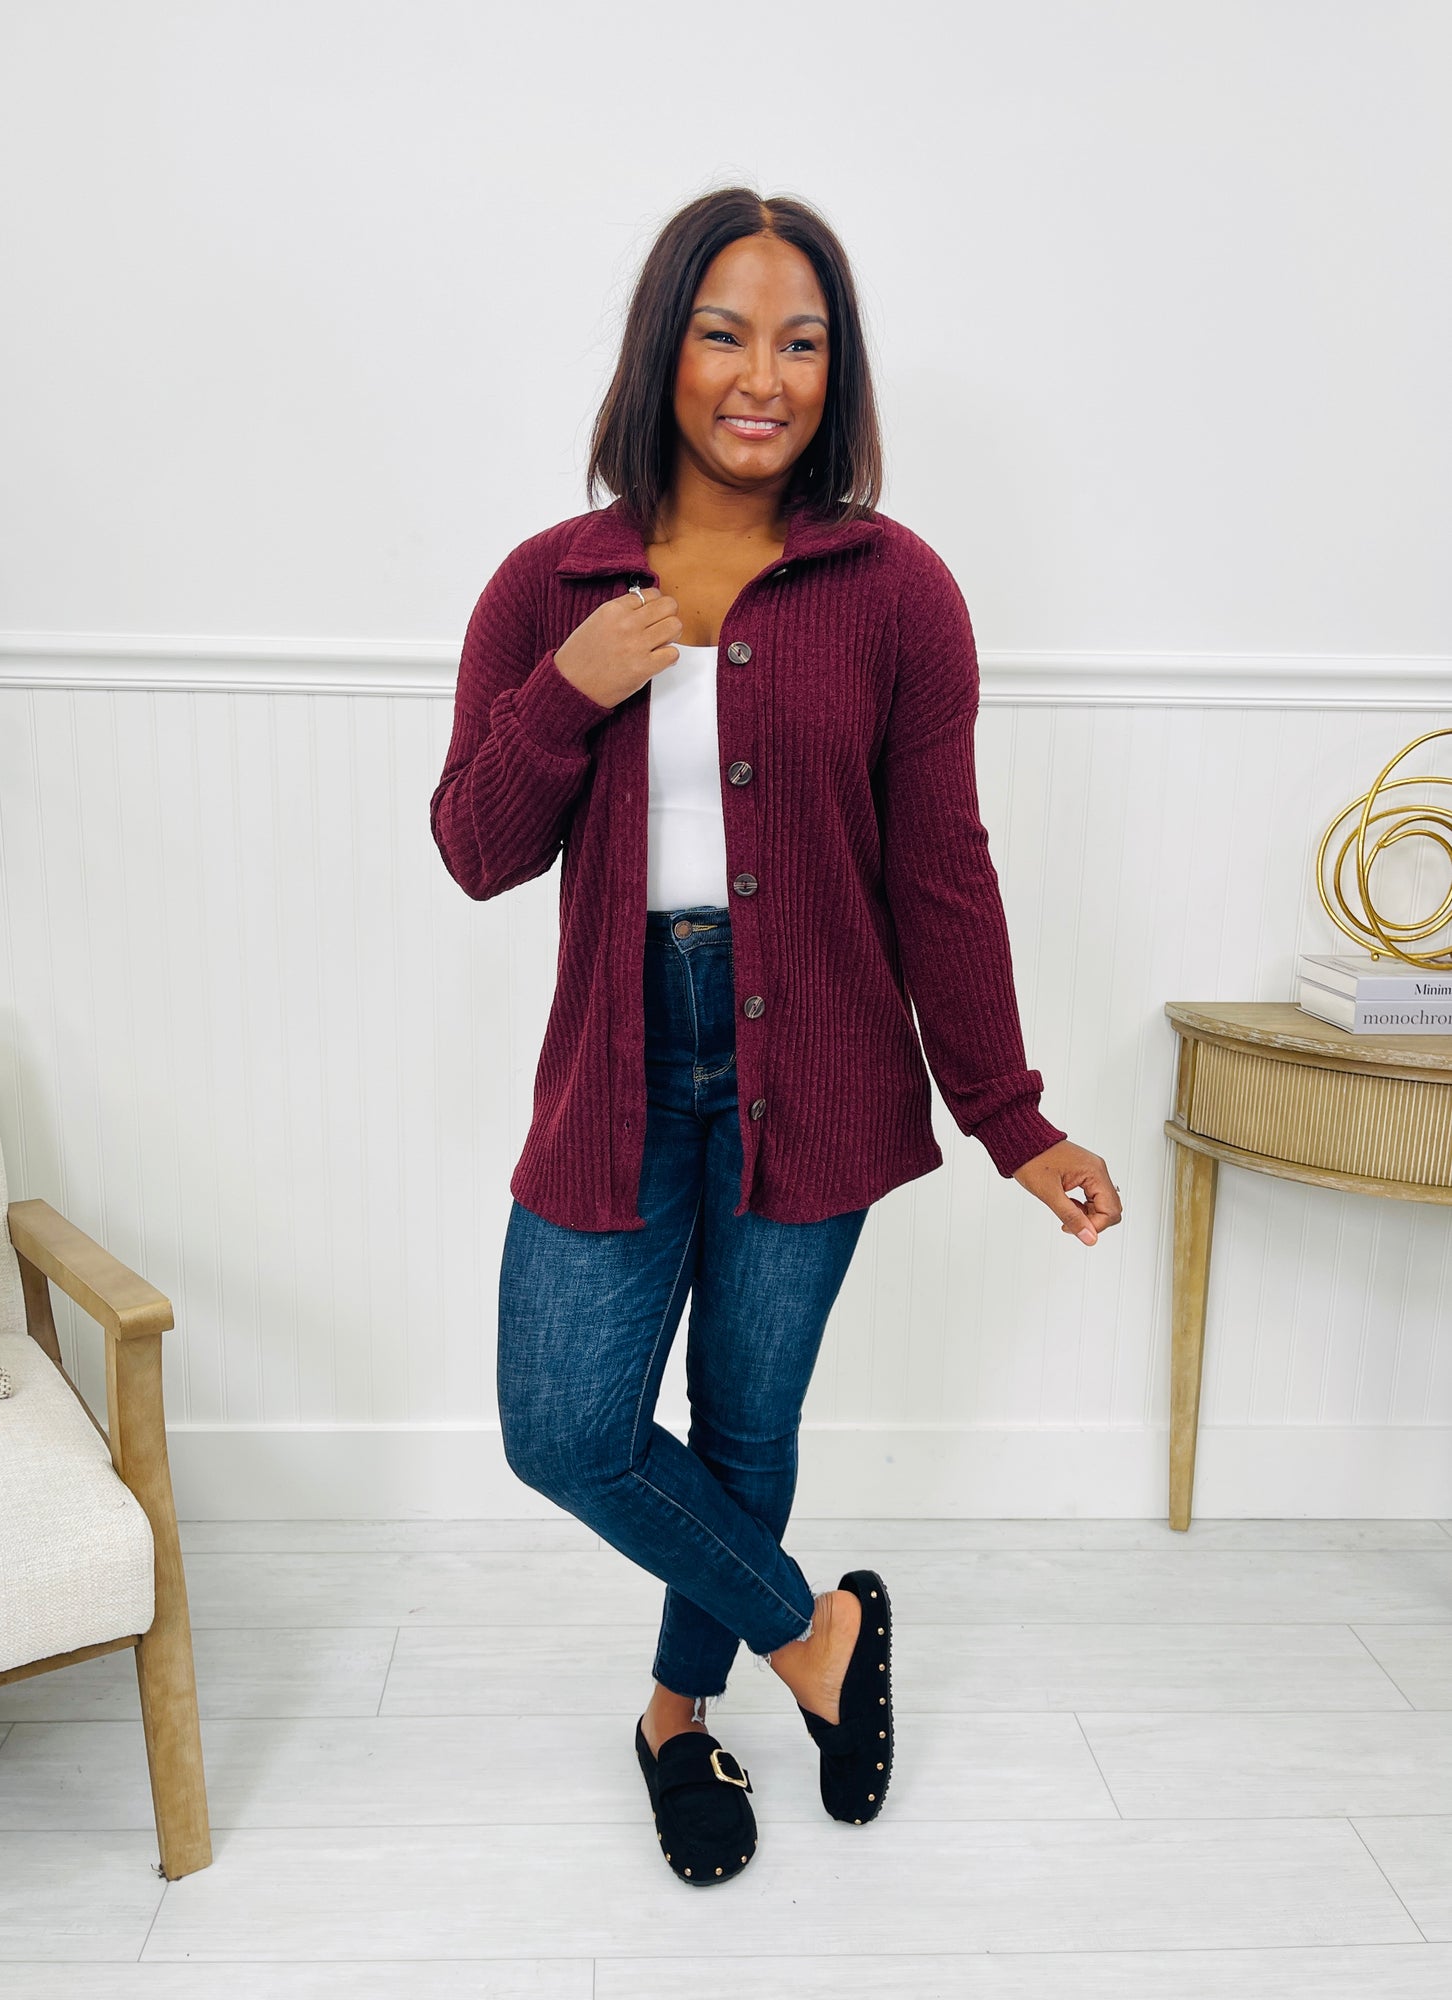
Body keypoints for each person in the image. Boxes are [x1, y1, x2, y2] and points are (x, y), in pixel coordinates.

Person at [430, 186, 1122, 1887]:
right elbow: (474, 849)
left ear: (838, 369)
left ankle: (679, 1720)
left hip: (817, 1061)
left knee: (744, 1428)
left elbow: (940, 868)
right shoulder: (552, 583)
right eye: (726, 335)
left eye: (801, 343)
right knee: (565, 1427)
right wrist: (571, 687)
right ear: (662, 352)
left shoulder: (897, 590)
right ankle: (816, 1633)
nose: (763, 377)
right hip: (620, 1063)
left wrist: (1012, 1116)